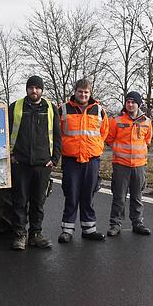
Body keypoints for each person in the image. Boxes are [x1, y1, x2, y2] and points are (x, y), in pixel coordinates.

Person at [8, 75, 62, 250]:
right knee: (19, 201)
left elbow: (58, 136)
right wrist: (10, 155)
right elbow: (4, 131)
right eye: (31, 87)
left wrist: (54, 159)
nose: (34, 91)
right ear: (27, 89)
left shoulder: (50, 109)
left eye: (37, 88)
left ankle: (35, 235)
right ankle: (19, 236)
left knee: (38, 202)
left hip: (42, 164)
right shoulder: (15, 107)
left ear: (42, 90)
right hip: (20, 163)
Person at [57, 79, 109, 243]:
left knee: (88, 194)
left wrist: (96, 147)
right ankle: (67, 230)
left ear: (90, 93)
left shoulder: (99, 111)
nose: (83, 94)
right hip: (71, 159)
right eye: (80, 91)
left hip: (91, 160)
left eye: (86, 92)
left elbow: (104, 132)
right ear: (75, 91)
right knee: (71, 194)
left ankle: (89, 229)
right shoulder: (63, 109)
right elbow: (57, 133)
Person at [105, 91, 153, 237]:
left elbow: (147, 140)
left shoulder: (146, 121)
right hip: (121, 164)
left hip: (139, 165)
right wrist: (119, 150)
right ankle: (115, 224)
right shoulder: (116, 120)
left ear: (138, 104)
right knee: (119, 196)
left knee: (137, 196)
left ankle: (137, 223)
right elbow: (109, 139)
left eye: (133, 102)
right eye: (128, 102)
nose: (130, 104)